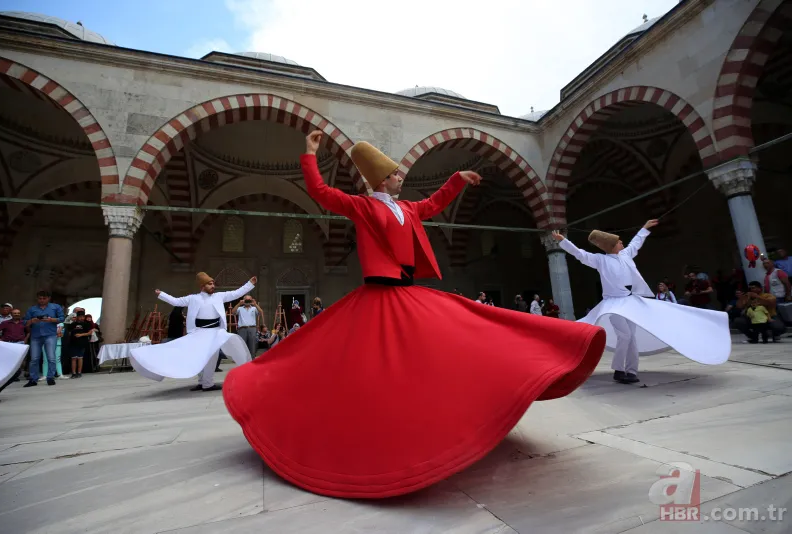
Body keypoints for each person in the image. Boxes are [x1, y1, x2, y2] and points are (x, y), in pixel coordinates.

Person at [222, 130, 606, 499]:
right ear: (381, 180)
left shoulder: (408, 208)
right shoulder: (362, 205)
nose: (399, 178)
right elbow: (321, 193)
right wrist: (309, 154)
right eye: (393, 174)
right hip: (378, 295)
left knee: (464, 329)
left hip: (407, 292)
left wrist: (456, 179)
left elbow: (434, 204)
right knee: (365, 367)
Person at [553, 221, 731, 385]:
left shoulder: (625, 255)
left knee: (631, 336)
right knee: (625, 335)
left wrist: (645, 228)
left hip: (630, 302)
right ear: (612, 245)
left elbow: (635, 243)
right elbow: (580, 254)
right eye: (620, 242)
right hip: (613, 304)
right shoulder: (601, 260)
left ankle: (630, 371)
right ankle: (619, 369)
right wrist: (563, 241)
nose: (623, 243)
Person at [129, 272, 256, 391]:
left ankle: (208, 383)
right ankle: (203, 382)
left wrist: (250, 284)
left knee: (213, 357)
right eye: (209, 284)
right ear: (202, 286)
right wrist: (161, 294)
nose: (213, 286)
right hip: (199, 333)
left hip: (215, 332)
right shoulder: (193, 299)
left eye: (213, 283)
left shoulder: (219, 296)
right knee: (199, 358)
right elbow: (176, 301)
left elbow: (236, 293)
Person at [22, 291, 65, 388]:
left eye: (44, 298)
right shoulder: (32, 309)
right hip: (36, 336)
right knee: (34, 359)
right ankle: (33, 379)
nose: (42, 300)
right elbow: (24, 323)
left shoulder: (55, 307)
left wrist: (51, 320)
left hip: (50, 335)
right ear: (37, 299)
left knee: (51, 357)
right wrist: (32, 321)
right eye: (40, 298)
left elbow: (62, 318)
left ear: (48, 298)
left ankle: (50, 378)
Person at [66, 311, 92, 378]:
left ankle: (79, 372)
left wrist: (81, 335)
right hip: (73, 342)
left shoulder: (86, 324)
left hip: (82, 343)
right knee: (73, 358)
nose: (81, 318)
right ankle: (74, 373)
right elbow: (68, 331)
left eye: (83, 317)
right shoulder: (73, 324)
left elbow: (90, 333)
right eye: (80, 317)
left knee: (80, 358)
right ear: (77, 317)